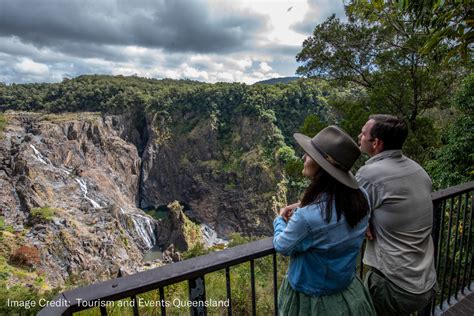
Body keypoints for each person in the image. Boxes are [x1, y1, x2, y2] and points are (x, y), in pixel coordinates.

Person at [274, 125, 376, 316]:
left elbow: (282, 246)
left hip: (313, 300)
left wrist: (279, 219)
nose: (304, 158)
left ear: (322, 166)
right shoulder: (361, 197)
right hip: (348, 292)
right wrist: (301, 205)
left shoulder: (307, 217)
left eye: (309, 154)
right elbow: (333, 207)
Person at [356, 114, 437, 315]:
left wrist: (363, 219)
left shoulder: (370, 174)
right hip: (424, 280)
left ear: (376, 143)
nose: (359, 136)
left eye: (363, 133)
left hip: (394, 285)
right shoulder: (417, 170)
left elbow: (342, 213)